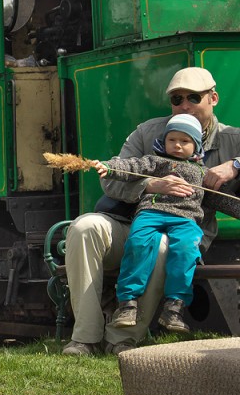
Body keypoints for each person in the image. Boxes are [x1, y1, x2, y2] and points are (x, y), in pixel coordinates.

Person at [62, 67, 240, 356]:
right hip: (134, 221)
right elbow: (111, 177)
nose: (184, 105)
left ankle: (122, 339)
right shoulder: (149, 132)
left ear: (214, 98)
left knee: (161, 244)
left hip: (183, 233)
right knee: (84, 228)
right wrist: (150, 184)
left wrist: (235, 165)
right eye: (176, 99)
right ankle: (85, 337)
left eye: (193, 97)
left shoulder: (232, 138)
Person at [93, 113, 240, 334]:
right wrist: (108, 167)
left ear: (196, 146)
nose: (178, 146)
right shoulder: (155, 162)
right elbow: (130, 167)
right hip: (151, 214)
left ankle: (174, 308)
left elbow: (224, 200)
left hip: (185, 220)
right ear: (164, 141)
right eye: (172, 140)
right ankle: (128, 303)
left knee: (186, 250)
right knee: (138, 244)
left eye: (185, 141)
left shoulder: (203, 174)